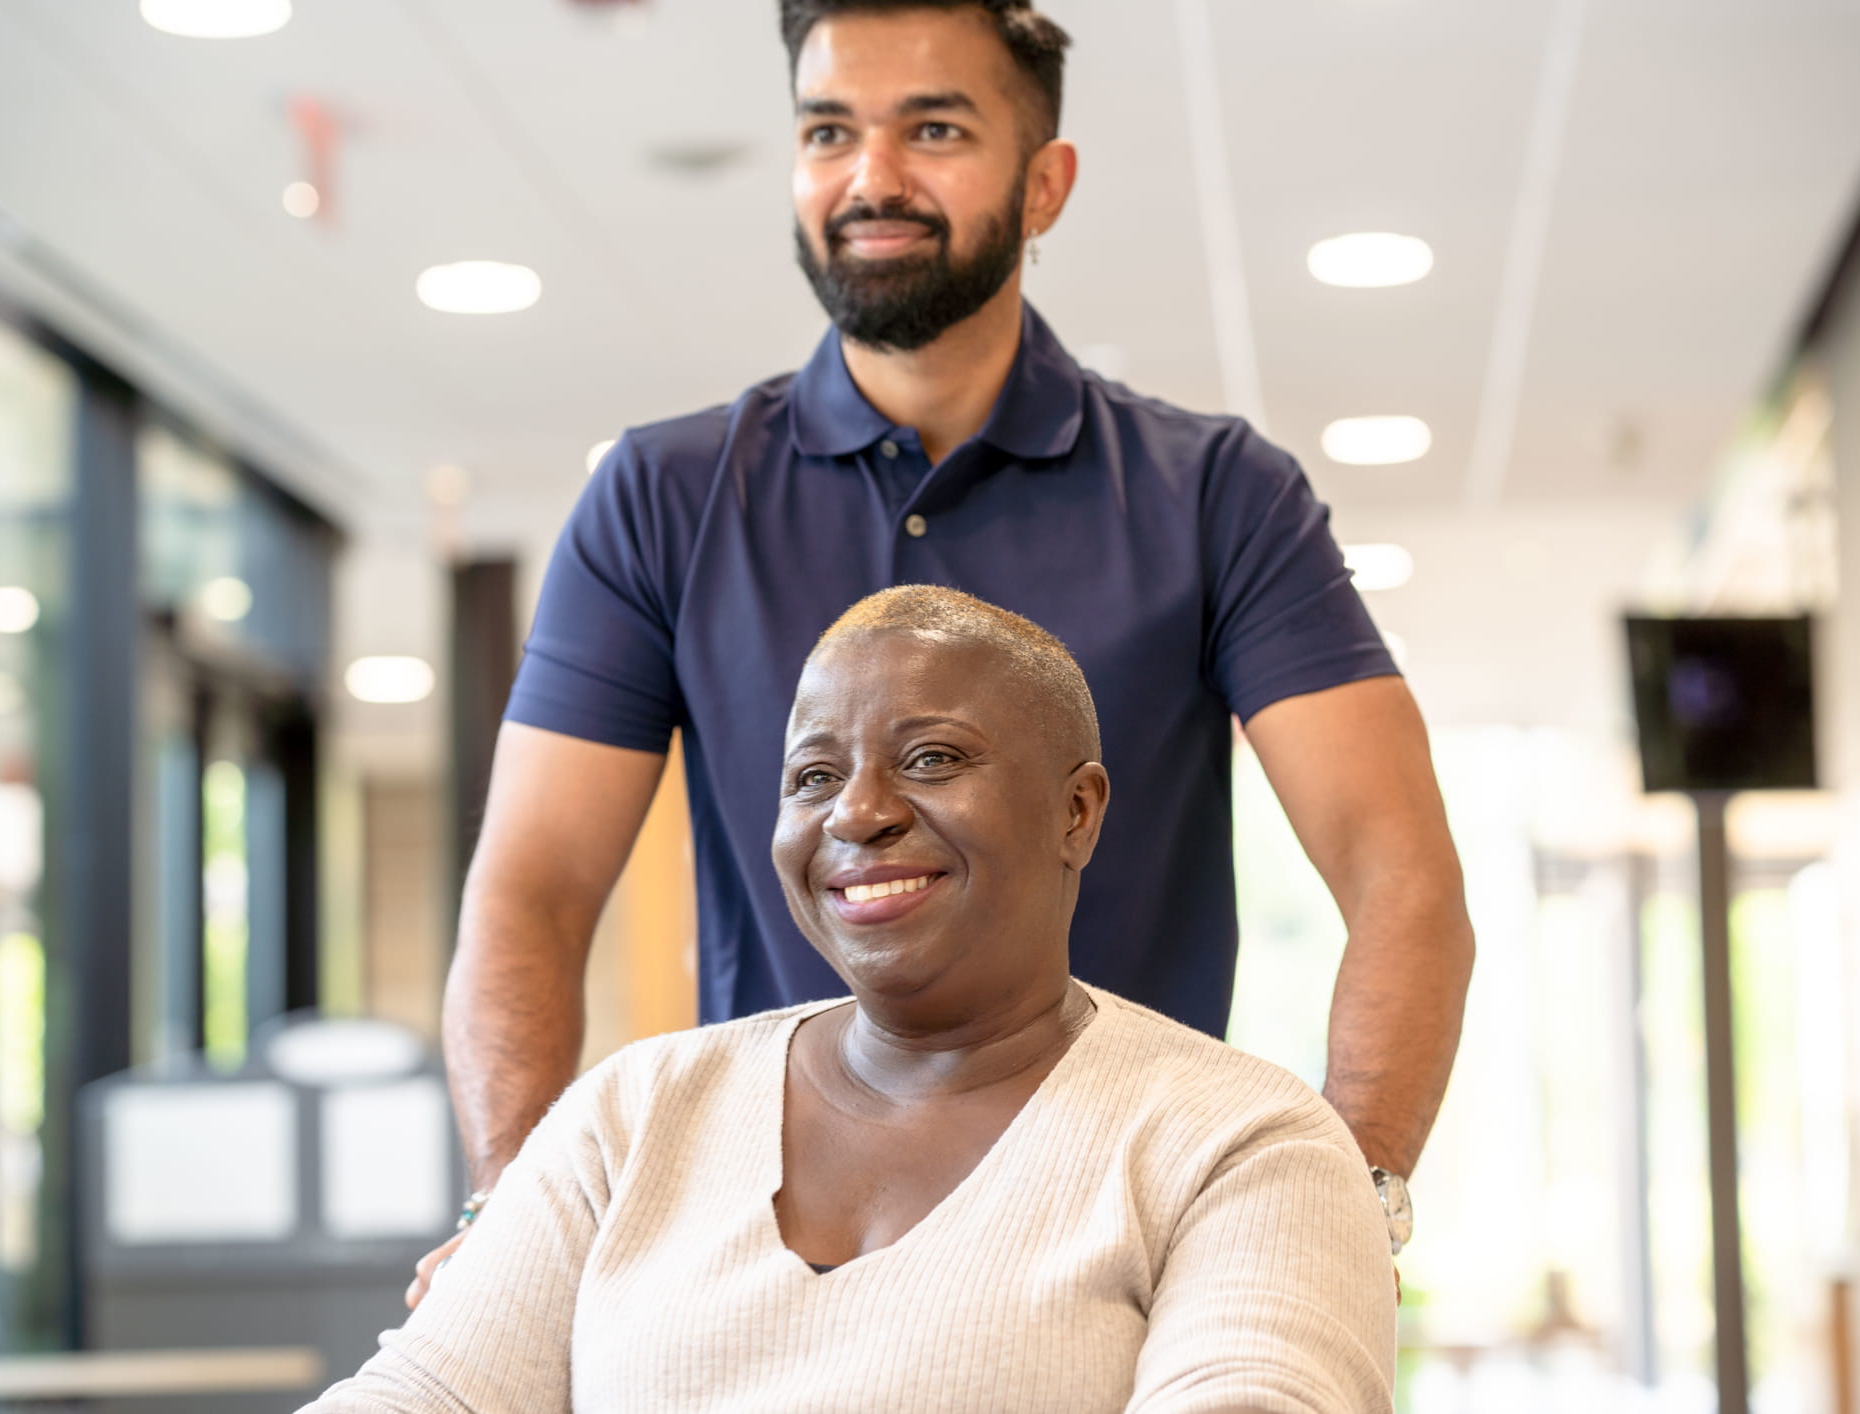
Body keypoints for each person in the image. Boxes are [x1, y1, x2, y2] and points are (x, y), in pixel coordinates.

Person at [412, 0, 1471, 1302]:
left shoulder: (1217, 496)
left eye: (933, 128)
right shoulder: (661, 496)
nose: (871, 177)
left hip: (1122, 1240)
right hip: (763, 1255)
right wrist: (514, 1211)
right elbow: (529, 888)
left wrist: (1347, 1198)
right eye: (827, 131)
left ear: (1045, 183)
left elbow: (1401, 871)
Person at [315, 589, 1397, 1414]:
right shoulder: (635, 1112)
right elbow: (425, 1394)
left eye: (931, 758)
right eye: (813, 776)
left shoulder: (1245, 1142)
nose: (860, 813)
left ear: (1076, 810)